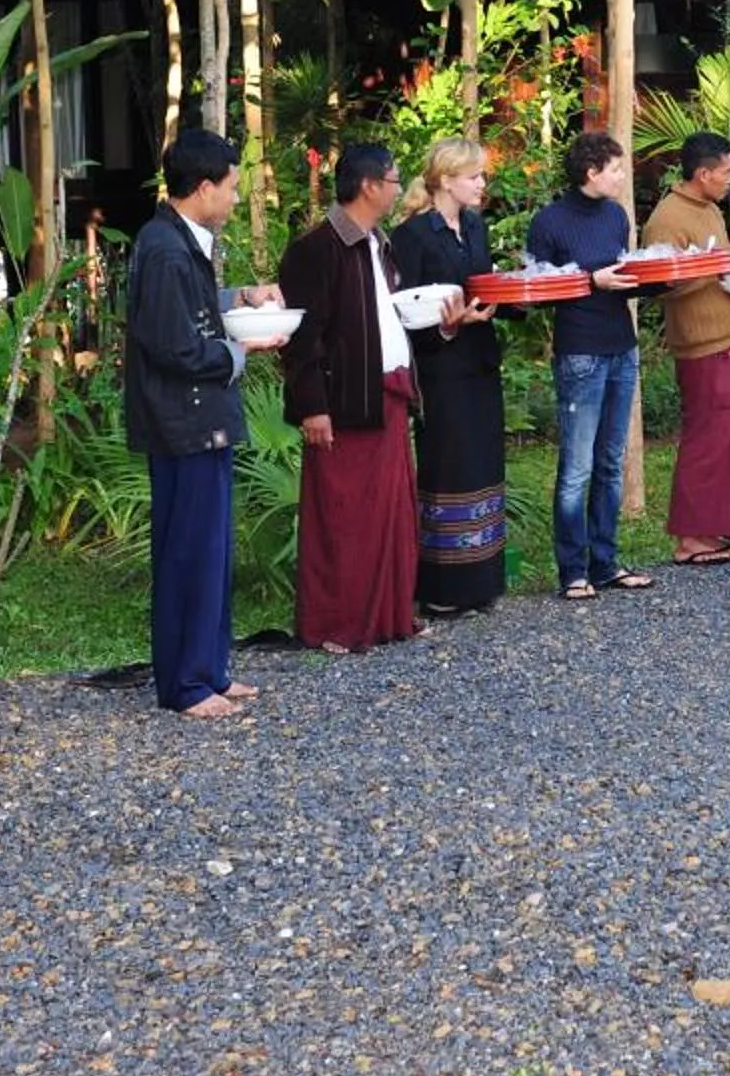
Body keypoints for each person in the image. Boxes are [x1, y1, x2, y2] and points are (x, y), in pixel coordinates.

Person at [122, 130, 284, 720]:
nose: (236, 199)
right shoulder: (165, 248)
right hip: (182, 424)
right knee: (190, 552)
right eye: (233, 188)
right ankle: (186, 684)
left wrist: (239, 296)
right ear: (204, 186)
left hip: (201, 421)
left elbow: (189, 306)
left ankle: (210, 668)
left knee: (212, 552)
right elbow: (173, 345)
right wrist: (242, 351)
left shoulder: (180, 241)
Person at [277, 142, 422, 653]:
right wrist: (313, 405)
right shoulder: (317, 248)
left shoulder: (379, 242)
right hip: (343, 402)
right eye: (394, 180)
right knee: (344, 517)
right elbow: (303, 338)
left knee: (389, 512)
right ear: (368, 185)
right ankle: (335, 624)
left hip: (388, 392)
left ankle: (387, 616)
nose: (399, 190)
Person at [524, 131, 658, 600]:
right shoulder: (549, 222)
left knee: (610, 463)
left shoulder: (617, 216)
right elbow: (538, 291)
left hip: (623, 346)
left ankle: (605, 563)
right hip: (580, 352)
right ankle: (572, 571)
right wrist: (590, 281)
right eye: (616, 168)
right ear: (591, 172)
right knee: (577, 467)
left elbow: (624, 276)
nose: (623, 176)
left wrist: (662, 280)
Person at [642, 132, 730, 566]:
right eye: (726, 172)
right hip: (699, 346)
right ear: (703, 174)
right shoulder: (667, 219)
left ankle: (718, 529)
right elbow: (659, 286)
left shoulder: (710, 209)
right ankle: (690, 538)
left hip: (726, 337)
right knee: (705, 439)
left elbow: (719, 269)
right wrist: (716, 266)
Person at [393, 138, 506, 618]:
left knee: (483, 463)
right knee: (448, 467)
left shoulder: (475, 225)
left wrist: (506, 293)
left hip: (480, 361)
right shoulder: (412, 236)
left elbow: (480, 283)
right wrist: (448, 325)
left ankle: (481, 582)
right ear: (445, 179)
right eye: (474, 176)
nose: (482, 184)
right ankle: (442, 585)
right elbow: (403, 311)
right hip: (440, 368)